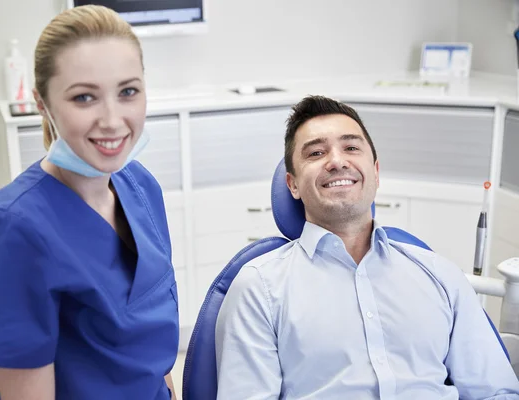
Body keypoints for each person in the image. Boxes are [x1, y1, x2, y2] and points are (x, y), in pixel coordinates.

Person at [215, 95, 519, 399]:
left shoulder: (441, 275)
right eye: (317, 152)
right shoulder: (259, 289)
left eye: (351, 148)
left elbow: (496, 392)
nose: (337, 161)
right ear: (292, 184)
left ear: (375, 171)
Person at [0, 5, 179, 399]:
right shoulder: (10, 229)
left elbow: (154, 359)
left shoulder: (141, 187)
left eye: (128, 92)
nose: (112, 120)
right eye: (84, 97)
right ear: (43, 104)